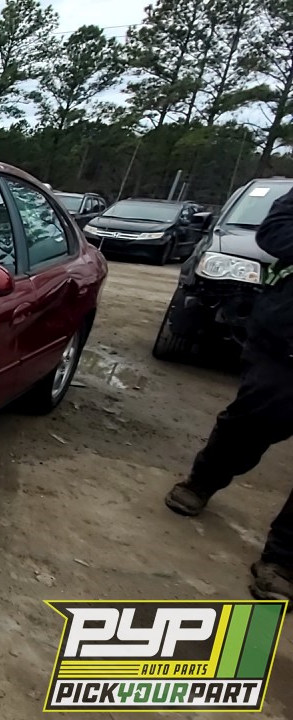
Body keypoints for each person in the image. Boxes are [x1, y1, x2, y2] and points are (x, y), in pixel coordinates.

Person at [164, 187, 293, 601]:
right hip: (286, 344)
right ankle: (203, 480)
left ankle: (283, 561)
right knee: (255, 420)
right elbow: (275, 232)